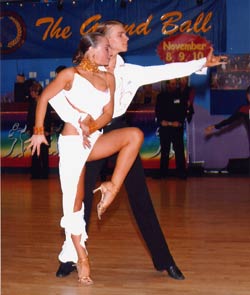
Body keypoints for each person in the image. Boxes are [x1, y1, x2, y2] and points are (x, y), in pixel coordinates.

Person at [51, 20, 227, 280]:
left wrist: (200, 64)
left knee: (141, 199)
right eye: (121, 34)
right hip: (91, 136)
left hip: (119, 132)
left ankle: (164, 260)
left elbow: (166, 70)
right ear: (106, 41)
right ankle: (71, 257)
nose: (127, 38)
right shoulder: (87, 69)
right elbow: (58, 96)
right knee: (80, 200)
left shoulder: (130, 72)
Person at [26, 32, 143, 285]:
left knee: (134, 135)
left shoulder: (109, 78)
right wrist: (38, 131)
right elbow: (44, 98)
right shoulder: (70, 75)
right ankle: (81, 256)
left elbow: (108, 114)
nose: (111, 54)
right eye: (106, 50)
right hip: (71, 145)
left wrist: (92, 125)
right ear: (91, 50)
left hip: (93, 141)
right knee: (75, 203)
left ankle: (112, 185)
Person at [155, 78, 194, 179]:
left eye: (175, 84)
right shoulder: (161, 96)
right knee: (165, 150)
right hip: (165, 127)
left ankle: (181, 172)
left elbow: (183, 111)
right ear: (167, 84)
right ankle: (163, 173)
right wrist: (161, 121)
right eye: (171, 84)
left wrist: (180, 122)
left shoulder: (181, 96)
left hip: (177, 127)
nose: (173, 85)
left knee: (179, 150)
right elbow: (158, 111)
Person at [205, 85, 250, 153]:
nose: (249, 96)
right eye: (248, 94)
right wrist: (215, 126)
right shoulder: (244, 109)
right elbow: (230, 120)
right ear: (247, 96)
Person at [26, 81, 52, 179]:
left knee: (44, 154)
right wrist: (29, 128)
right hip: (34, 131)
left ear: (37, 92)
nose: (31, 93)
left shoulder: (44, 102)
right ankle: (35, 174)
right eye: (31, 91)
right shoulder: (32, 103)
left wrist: (47, 130)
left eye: (33, 91)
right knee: (34, 153)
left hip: (44, 131)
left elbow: (48, 118)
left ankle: (45, 174)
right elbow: (29, 117)